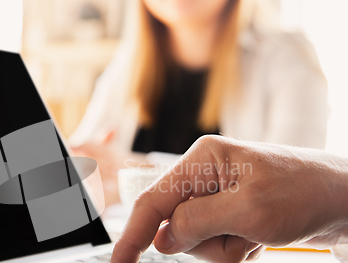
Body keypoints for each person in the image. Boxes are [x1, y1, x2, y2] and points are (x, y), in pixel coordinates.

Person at [70, 0, 330, 206]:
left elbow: (292, 188)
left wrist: (136, 167)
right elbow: (81, 168)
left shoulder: (288, 59)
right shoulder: (127, 64)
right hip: (144, 254)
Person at [102, 135, 348, 263]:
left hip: (270, 254)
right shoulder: (128, 65)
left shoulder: (284, 57)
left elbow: (279, 176)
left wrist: (338, 191)